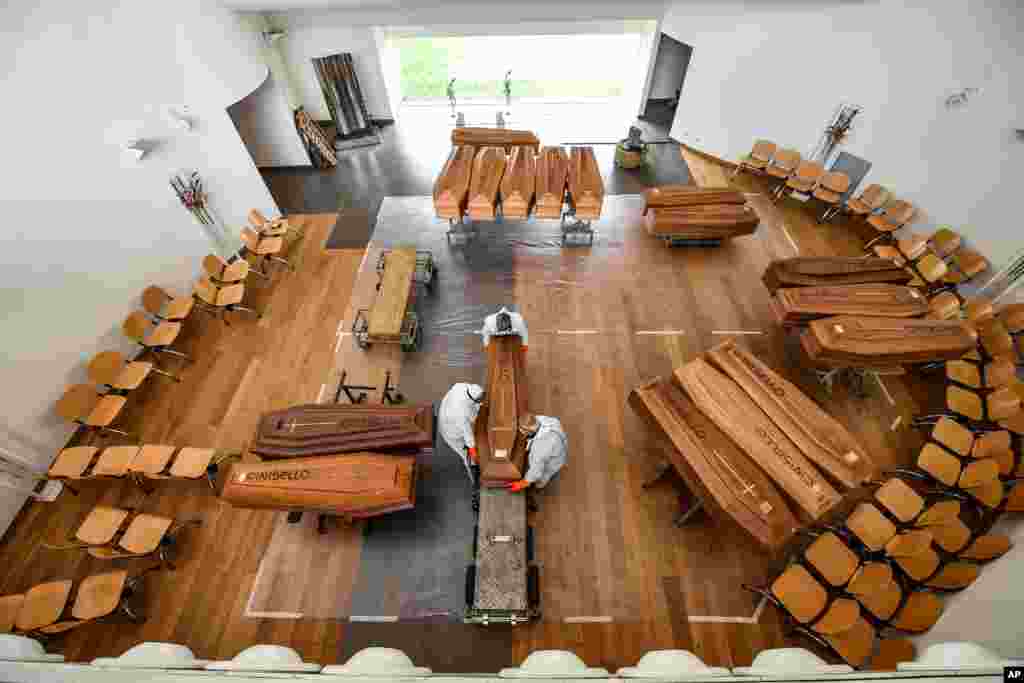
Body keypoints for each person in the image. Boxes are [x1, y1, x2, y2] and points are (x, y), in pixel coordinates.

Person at [506, 414, 567, 493]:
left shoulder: (540, 448)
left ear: (529, 431)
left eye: (523, 431)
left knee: (543, 478)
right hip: (559, 449)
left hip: (552, 462)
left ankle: (538, 487)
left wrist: (524, 482)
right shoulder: (543, 420)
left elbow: (536, 471)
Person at [438, 382, 485, 482]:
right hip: (451, 432)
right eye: (479, 399)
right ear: (473, 399)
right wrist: (473, 452)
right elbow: (468, 435)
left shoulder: (463, 386)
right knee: (466, 455)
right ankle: (473, 478)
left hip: (447, 410)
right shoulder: (461, 413)